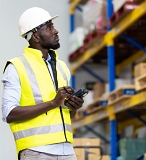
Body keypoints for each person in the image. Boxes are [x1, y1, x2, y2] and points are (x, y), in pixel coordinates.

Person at [1, 7, 84, 160]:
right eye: (50, 27)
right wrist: (53, 103)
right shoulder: (16, 67)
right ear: (36, 37)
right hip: (36, 152)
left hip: (67, 150)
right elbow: (9, 113)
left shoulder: (62, 67)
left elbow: (65, 115)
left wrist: (73, 107)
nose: (56, 31)